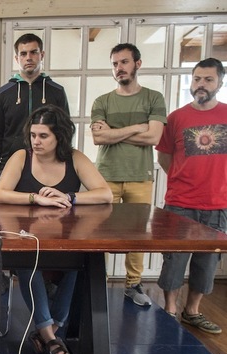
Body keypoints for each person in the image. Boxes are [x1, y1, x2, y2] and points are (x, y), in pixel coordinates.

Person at [0, 105, 111, 354]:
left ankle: (49, 332)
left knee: (79, 262)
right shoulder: (21, 157)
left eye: (43, 136)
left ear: (59, 135)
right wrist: (36, 199)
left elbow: (105, 193)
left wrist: (70, 197)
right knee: (27, 265)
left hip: (65, 239)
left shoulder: (74, 158)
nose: (36, 141)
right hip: (26, 239)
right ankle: (50, 335)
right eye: (33, 135)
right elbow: (0, 194)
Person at [91, 43, 166, 308]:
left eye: (124, 62)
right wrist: (137, 127)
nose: (119, 68)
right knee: (98, 232)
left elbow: (154, 136)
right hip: (106, 175)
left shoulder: (153, 98)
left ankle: (132, 284)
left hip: (139, 175)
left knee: (137, 234)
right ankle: (95, 281)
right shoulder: (102, 101)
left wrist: (116, 131)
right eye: (114, 64)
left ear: (137, 64)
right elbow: (99, 137)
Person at [155, 57, 226, 334]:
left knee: (207, 262)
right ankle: (170, 308)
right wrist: (183, 178)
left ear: (220, 82)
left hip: (218, 203)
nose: (201, 84)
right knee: (174, 259)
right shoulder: (177, 118)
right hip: (180, 202)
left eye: (208, 79)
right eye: (197, 79)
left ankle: (192, 311)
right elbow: (164, 156)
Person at [0, 33, 70, 184]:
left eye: (34, 52)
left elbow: (65, 131)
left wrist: (64, 162)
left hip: (49, 168)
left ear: (42, 55)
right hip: (10, 166)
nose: (28, 58)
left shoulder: (56, 91)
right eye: (23, 53)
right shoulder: (4, 93)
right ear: (16, 58)